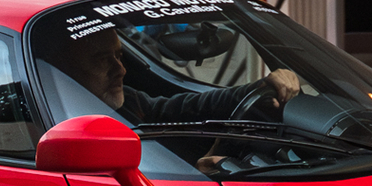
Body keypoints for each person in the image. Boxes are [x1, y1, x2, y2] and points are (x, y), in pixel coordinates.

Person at [50, 22, 299, 124]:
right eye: (103, 60)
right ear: (65, 70)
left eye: (120, 56)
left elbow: (192, 107)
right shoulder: (56, 126)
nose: (121, 70)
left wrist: (259, 86)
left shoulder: (130, 102)